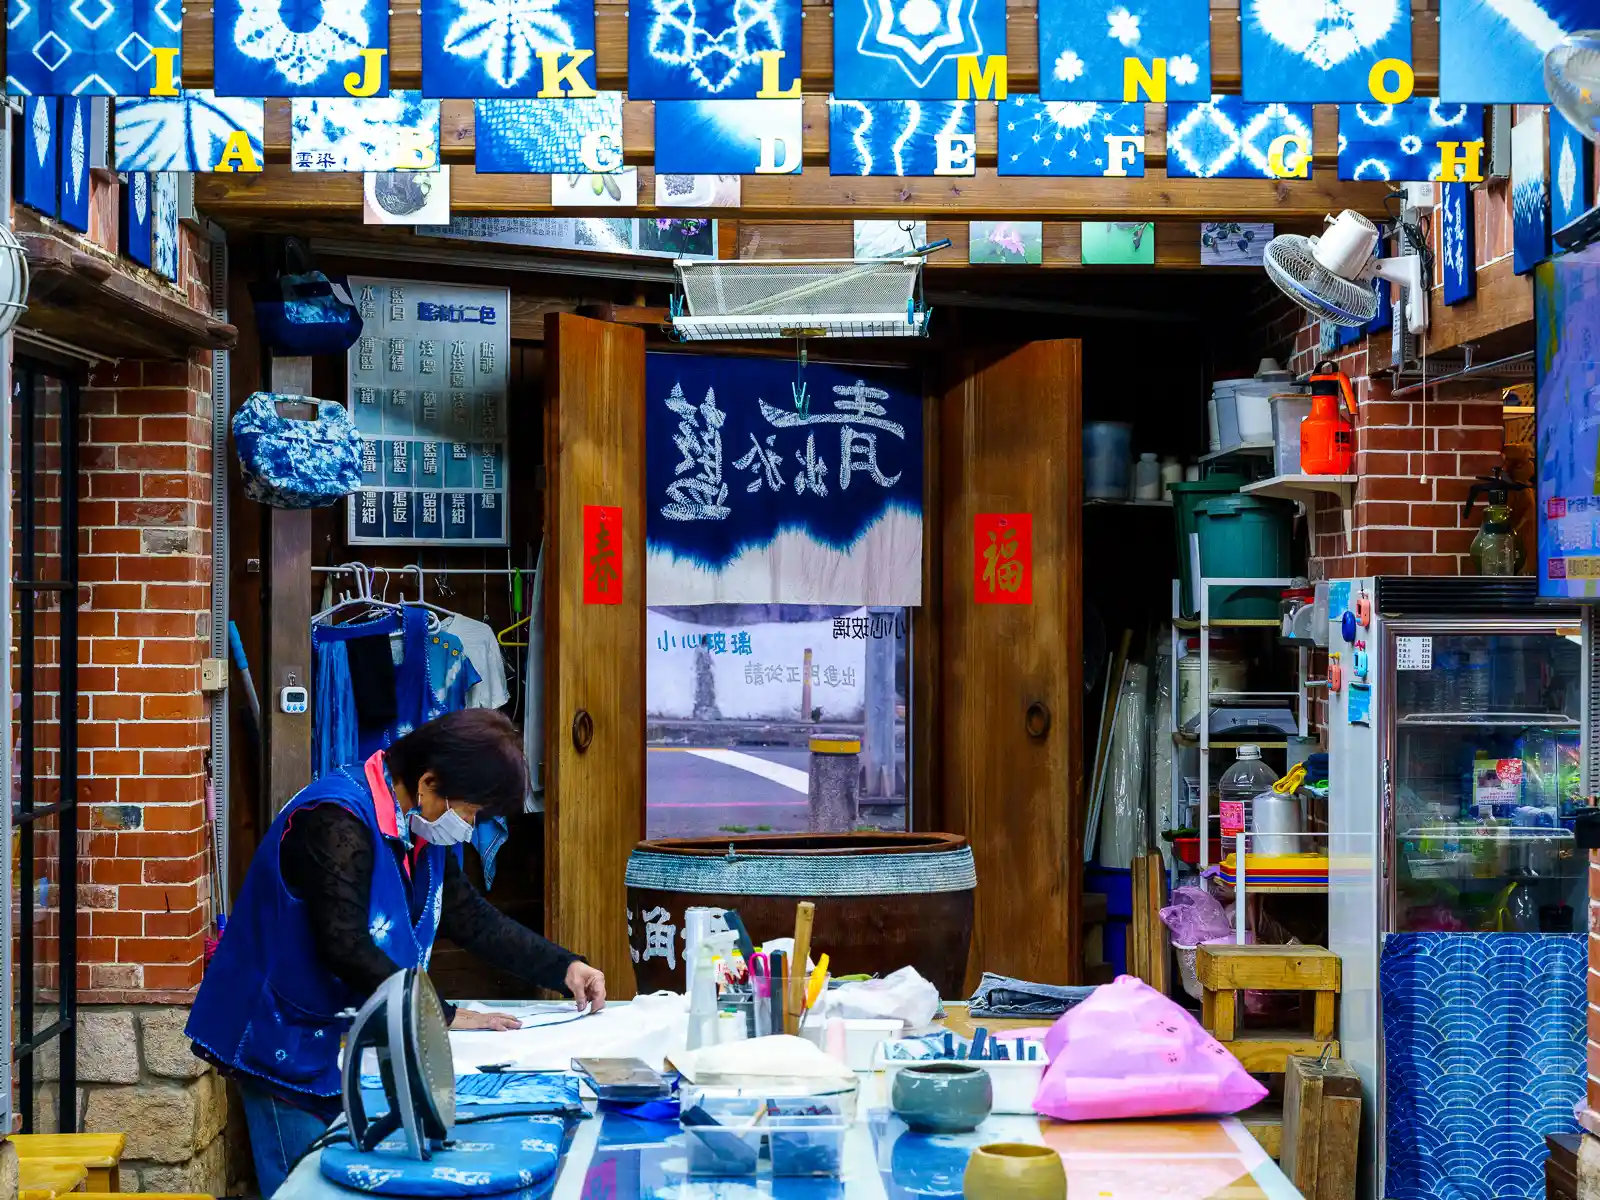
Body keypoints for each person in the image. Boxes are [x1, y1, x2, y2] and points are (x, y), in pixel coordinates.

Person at [186, 710, 605, 1195]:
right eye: (470, 811)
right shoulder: (336, 819)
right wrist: (435, 1013)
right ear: (429, 783)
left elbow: (469, 917)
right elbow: (346, 946)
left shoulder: (419, 827)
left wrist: (565, 967)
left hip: (346, 1038)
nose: (469, 827)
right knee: (304, 1186)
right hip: (285, 1035)